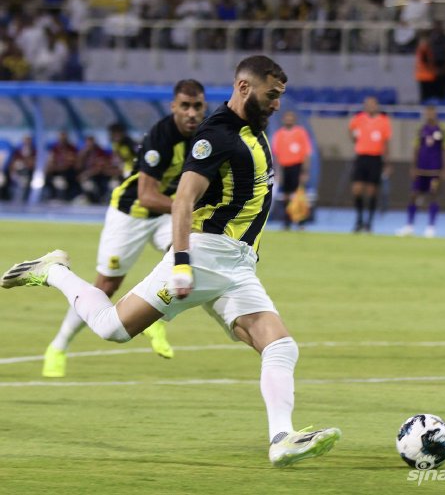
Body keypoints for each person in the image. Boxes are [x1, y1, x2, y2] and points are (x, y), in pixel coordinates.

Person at [3, 56, 342, 467]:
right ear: (243, 87)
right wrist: (181, 262)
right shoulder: (216, 135)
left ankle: (282, 439)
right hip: (205, 256)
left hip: (238, 265)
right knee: (112, 328)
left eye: (280, 96)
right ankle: (53, 271)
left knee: (281, 346)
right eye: (271, 95)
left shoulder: (254, 130)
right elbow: (182, 199)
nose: (276, 104)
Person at [41, 79, 207, 378]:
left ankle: (156, 319)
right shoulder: (161, 137)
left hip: (165, 214)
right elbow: (146, 196)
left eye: (197, 106)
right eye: (185, 106)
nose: (192, 113)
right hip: (131, 213)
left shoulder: (206, 137)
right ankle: (58, 346)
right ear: (174, 107)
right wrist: (186, 210)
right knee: (106, 286)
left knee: (189, 254)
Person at [396, 105, 445, 238]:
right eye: (428, 112)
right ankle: (409, 226)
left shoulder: (442, 129)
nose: (430, 115)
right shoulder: (421, 129)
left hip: (435, 170)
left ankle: (431, 227)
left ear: (435, 114)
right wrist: (413, 167)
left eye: (432, 112)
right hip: (421, 169)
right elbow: (416, 149)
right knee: (413, 195)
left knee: (433, 195)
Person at [349, 95, 392, 233]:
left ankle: (369, 222)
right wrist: (354, 137)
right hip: (361, 157)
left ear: (377, 106)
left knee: (372, 191)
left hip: (376, 158)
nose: (371, 106)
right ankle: (359, 220)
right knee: (357, 189)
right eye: (368, 104)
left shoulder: (384, 121)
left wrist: (387, 163)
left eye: (373, 104)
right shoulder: (358, 118)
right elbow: (351, 133)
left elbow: (386, 143)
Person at [272, 110, 314, 231]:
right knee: (286, 195)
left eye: (291, 118)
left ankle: (300, 221)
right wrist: (278, 172)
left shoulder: (301, 133)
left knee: (298, 195)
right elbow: (276, 155)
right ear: (283, 120)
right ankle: (287, 220)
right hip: (285, 167)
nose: (289, 120)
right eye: (287, 118)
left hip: (297, 166)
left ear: (294, 120)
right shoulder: (279, 134)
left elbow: (307, 153)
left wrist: (304, 171)